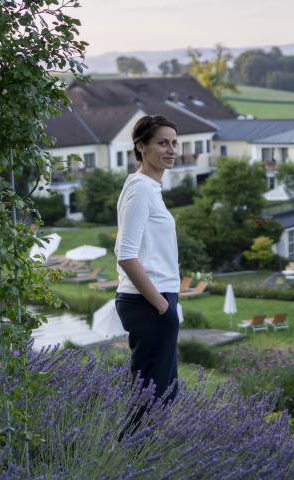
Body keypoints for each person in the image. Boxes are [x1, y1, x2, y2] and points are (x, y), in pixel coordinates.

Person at [114, 115, 181, 409]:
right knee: (150, 400)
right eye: (162, 142)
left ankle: (139, 454)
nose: (171, 149)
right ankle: (132, 454)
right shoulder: (141, 189)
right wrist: (162, 306)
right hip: (148, 304)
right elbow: (126, 255)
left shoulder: (149, 188)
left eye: (174, 143)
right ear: (141, 147)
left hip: (154, 301)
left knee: (161, 395)